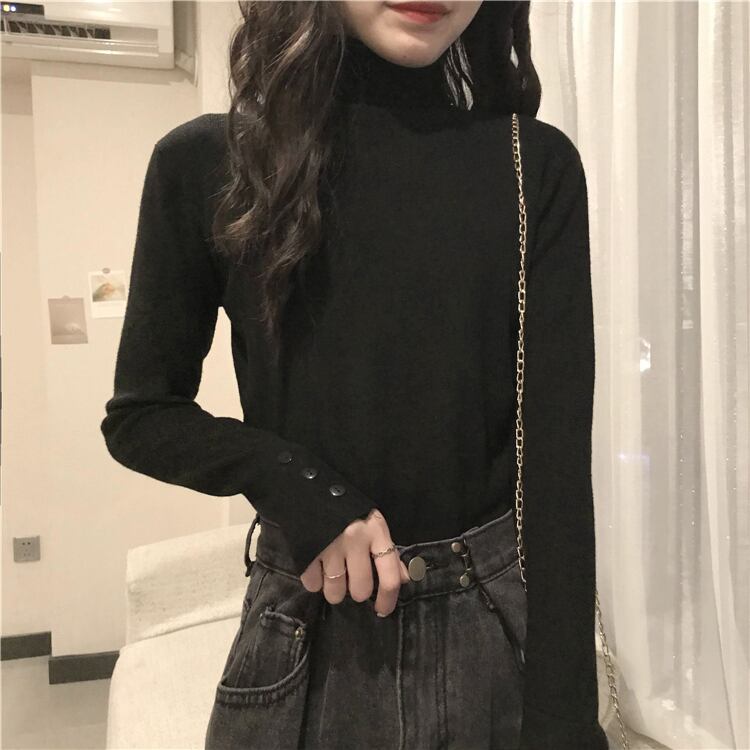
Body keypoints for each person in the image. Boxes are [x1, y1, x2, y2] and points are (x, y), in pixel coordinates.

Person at [100, 1, 610, 748]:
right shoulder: (210, 162)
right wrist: (302, 488)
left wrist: (566, 722)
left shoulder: (533, 168)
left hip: (491, 634)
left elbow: (556, 471)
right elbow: (141, 415)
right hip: (306, 637)